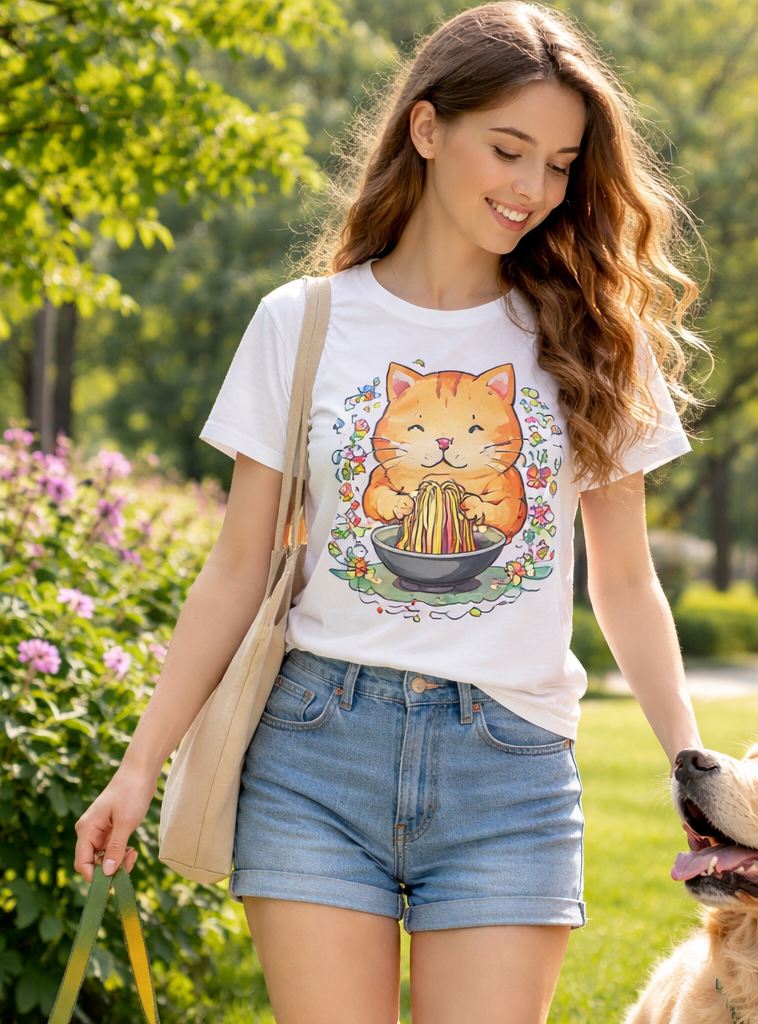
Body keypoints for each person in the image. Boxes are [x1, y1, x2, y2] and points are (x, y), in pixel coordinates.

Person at [74, 4, 705, 1021]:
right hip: (317, 751)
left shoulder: (596, 340)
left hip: (509, 769)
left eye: (558, 162)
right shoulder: (303, 321)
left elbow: (627, 583)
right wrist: (139, 766)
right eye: (507, 149)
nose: (532, 187)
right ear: (425, 128)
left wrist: (689, 764)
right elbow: (237, 568)